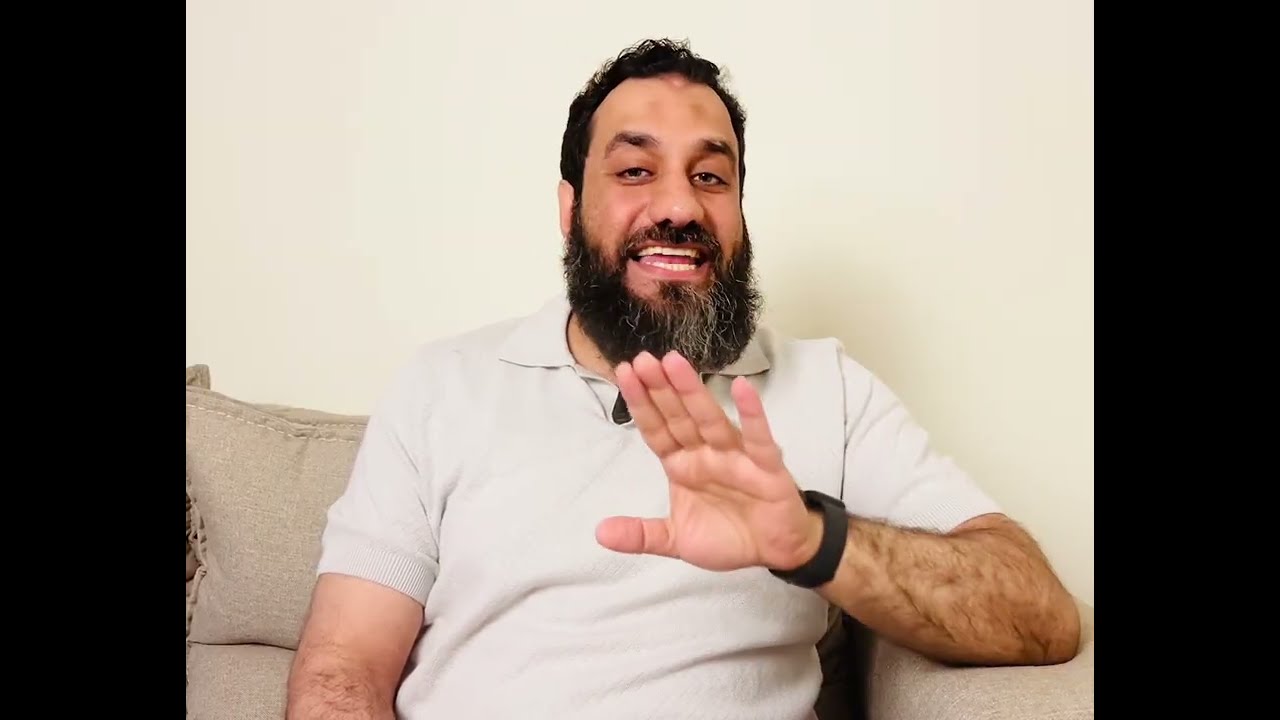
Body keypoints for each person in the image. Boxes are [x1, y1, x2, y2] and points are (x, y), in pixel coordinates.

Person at [285, 37, 1081, 720]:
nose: (679, 206)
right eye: (635, 170)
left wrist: (811, 540)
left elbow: (1040, 616)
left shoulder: (829, 389)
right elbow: (342, 670)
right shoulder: (442, 387)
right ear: (569, 208)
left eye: (710, 177)